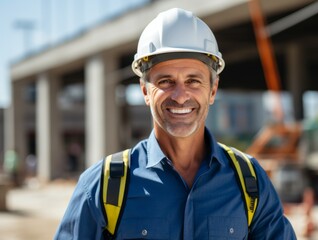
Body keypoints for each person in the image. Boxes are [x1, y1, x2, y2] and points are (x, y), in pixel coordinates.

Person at [55, 8, 296, 239]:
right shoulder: (103, 185)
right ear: (145, 91)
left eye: (193, 81)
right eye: (166, 81)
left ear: (212, 90)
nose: (180, 96)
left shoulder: (249, 181)